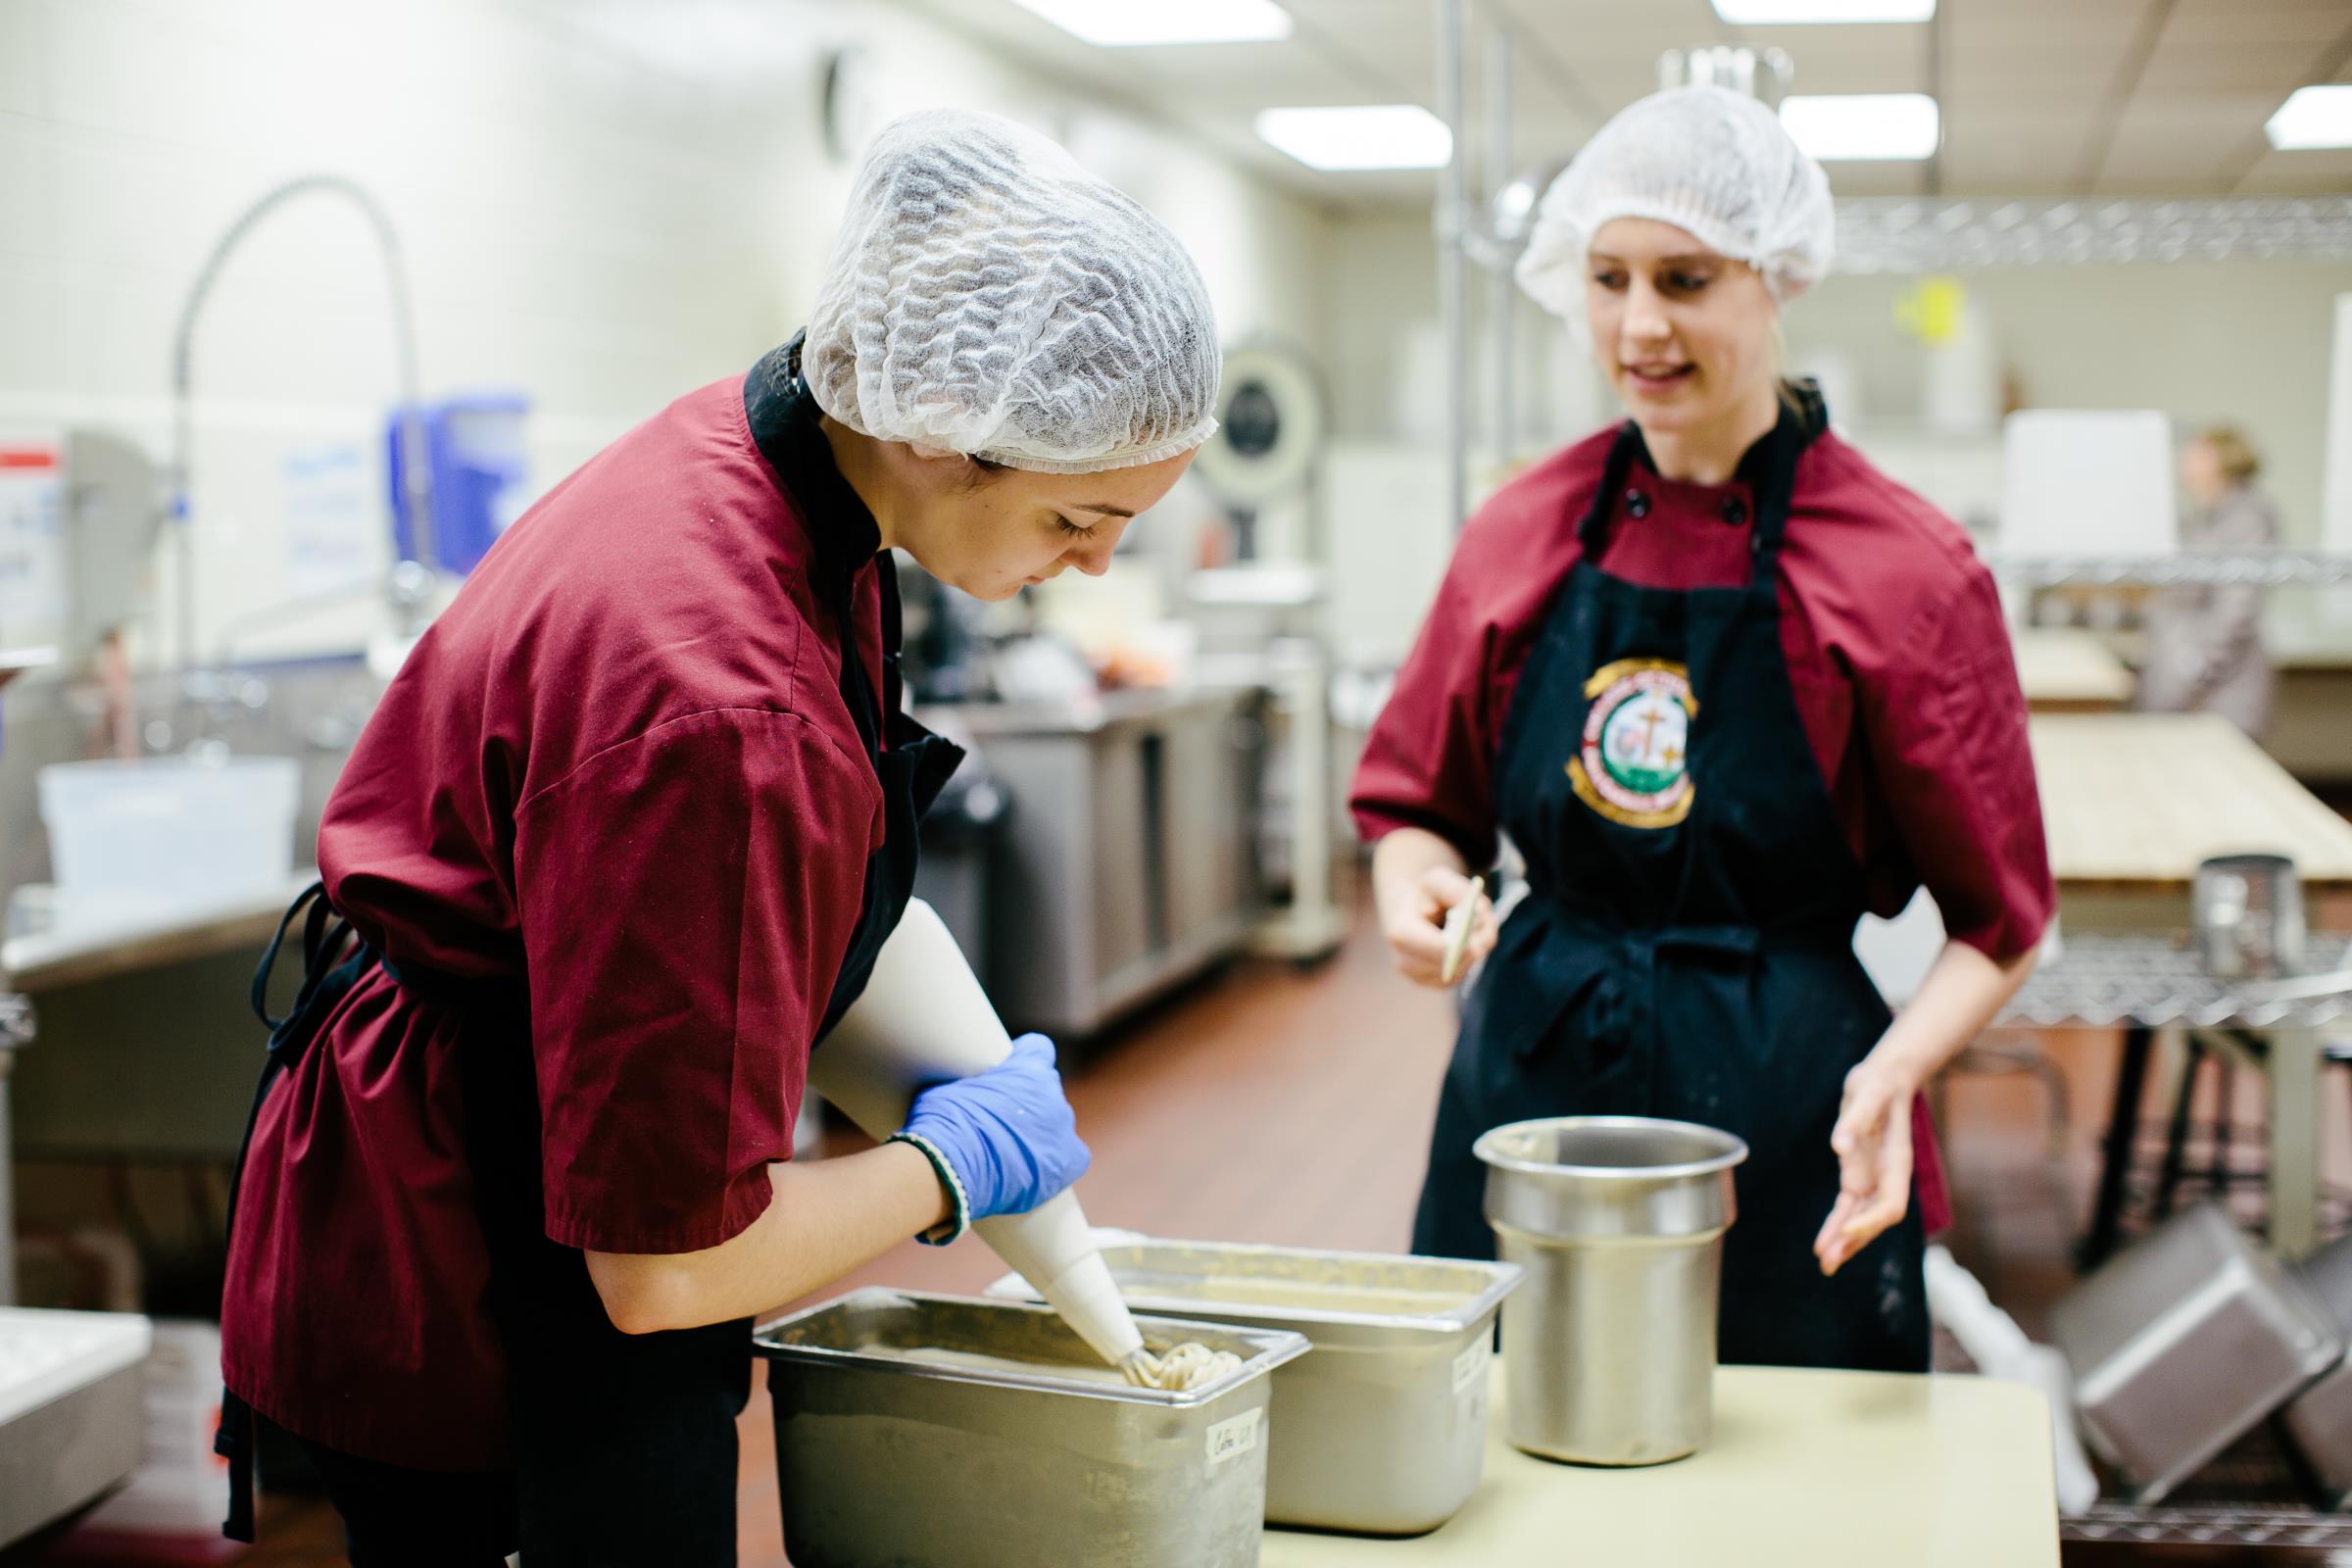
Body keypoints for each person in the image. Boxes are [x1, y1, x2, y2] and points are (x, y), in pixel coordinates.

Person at [217, 109, 1219, 1566]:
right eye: (1078, 516)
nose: (1097, 563)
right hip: (480, 1257)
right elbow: (664, 1269)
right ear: (943, 431)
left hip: (530, 1148)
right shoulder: (720, 712)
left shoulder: (795, 467)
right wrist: (953, 1168)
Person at [1350, 85, 2054, 1371]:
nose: (1639, 324)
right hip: (1534, 1078)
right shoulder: (1521, 532)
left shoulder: (1907, 570)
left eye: (1684, 278)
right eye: (1608, 278)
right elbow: (1413, 804)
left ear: (1774, 278)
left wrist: (1893, 1074)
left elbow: (2001, 922)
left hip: (1790, 1100)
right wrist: (1421, 893)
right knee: (1509, 1449)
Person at [2139, 424, 2278, 738]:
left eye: (2196, 454)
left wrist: (2196, 666)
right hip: (2187, 684)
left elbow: (2238, 607)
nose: (2184, 463)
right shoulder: (2204, 518)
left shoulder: (2249, 517)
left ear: (2220, 460)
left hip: (2220, 692)